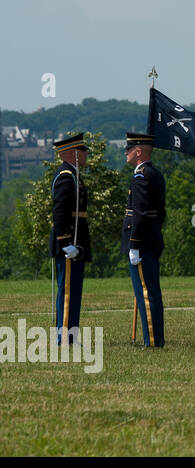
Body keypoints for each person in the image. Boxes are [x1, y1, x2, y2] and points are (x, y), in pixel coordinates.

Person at [121, 132, 166, 348]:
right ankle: (154, 337)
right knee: (151, 291)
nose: (126, 153)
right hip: (153, 239)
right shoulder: (155, 173)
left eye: (128, 149)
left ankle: (153, 340)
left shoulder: (140, 176)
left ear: (138, 152)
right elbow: (160, 214)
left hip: (142, 243)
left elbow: (139, 213)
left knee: (146, 293)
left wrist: (135, 244)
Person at [50, 133, 91, 345]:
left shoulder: (73, 175)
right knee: (67, 292)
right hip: (69, 243)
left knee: (73, 292)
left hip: (76, 241)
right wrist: (66, 242)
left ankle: (70, 336)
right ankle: (64, 338)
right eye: (83, 151)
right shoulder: (66, 176)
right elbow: (59, 212)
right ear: (73, 153)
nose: (85, 155)